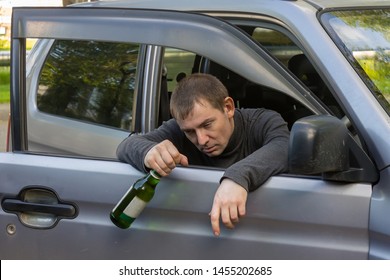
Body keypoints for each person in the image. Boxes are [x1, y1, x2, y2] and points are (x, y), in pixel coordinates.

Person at [117, 73, 289, 236]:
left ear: (228, 108)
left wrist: (238, 176)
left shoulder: (262, 122)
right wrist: (149, 152)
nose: (201, 139)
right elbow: (126, 145)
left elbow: (284, 146)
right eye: (190, 132)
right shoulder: (178, 131)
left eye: (207, 124)